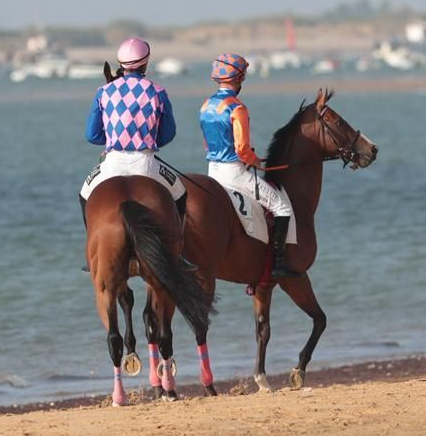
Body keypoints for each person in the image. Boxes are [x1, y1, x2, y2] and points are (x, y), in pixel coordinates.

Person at [80, 38, 188, 265]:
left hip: (112, 163)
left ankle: (94, 252)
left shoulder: (103, 91)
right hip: (146, 163)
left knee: (85, 194)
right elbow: (168, 134)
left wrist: (111, 139)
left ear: (122, 63)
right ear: (145, 63)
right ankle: (179, 253)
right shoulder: (158, 92)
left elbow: (92, 135)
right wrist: (148, 140)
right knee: (181, 193)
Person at [198, 52, 302, 279]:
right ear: (237, 78)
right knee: (282, 208)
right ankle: (278, 263)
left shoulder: (205, 105)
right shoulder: (237, 108)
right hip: (234, 173)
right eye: (242, 77)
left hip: (212, 172)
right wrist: (254, 160)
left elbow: (208, 143)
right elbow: (242, 149)